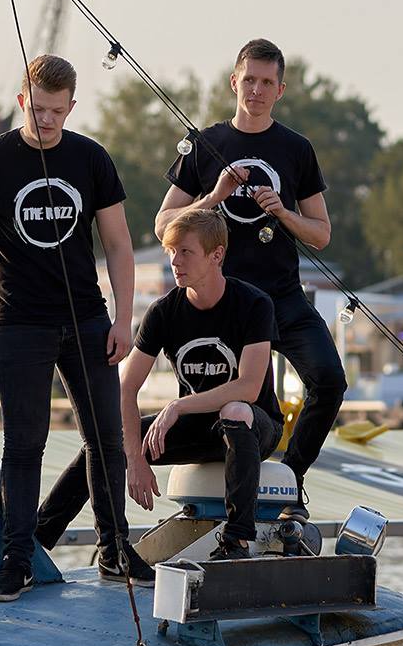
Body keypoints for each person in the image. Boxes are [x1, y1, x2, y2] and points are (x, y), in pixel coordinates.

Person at [0, 54, 154, 601]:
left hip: (86, 318)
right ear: (23, 101)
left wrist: (123, 319)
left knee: (106, 437)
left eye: (56, 111)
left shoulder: (90, 158)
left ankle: (114, 547)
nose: (46, 120)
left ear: (72, 107)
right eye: (38, 109)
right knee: (26, 443)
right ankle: (16, 557)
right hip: (18, 322)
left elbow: (118, 244)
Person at [155, 38, 346, 519]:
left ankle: (291, 480)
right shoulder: (206, 144)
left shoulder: (296, 149)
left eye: (266, 83)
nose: (256, 90)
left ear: (280, 90)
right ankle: (214, 503)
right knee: (237, 409)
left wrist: (284, 212)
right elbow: (163, 225)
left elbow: (321, 234)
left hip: (283, 296)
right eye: (249, 80)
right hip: (226, 306)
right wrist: (215, 196)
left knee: (330, 380)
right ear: (233, 83)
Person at [36, 209, 282, 559]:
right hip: (196, 429)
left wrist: (177, 406)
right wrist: (135, 457)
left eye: (186, 252)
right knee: (103, 444)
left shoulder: (254, 304)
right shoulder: (164, 311)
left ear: (217, 255)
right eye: (171, 252)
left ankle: (236, 541)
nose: (175, 262)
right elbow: (126, 387)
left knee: (235, 409)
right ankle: (36, 541)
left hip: (254, 428)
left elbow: (249, 387)